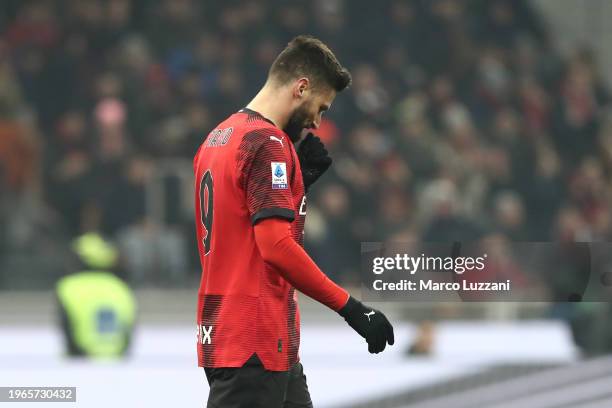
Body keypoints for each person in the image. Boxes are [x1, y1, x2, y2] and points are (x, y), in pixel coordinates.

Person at [193, 35, 395, 407]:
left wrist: (296, 183)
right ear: (302, 87)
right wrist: (351, 308)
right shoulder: (267, 143)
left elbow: (236, 223)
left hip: (239, 335)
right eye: (322, 107)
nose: (318, 121)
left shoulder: (219, 138)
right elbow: (276, 247)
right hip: (255, 340)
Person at [56, 232, 136, 358]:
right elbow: (128, 331)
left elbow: (67, 327)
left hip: (81, 360)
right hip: (117, 360)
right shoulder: (120, 287)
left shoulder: (68, 286)